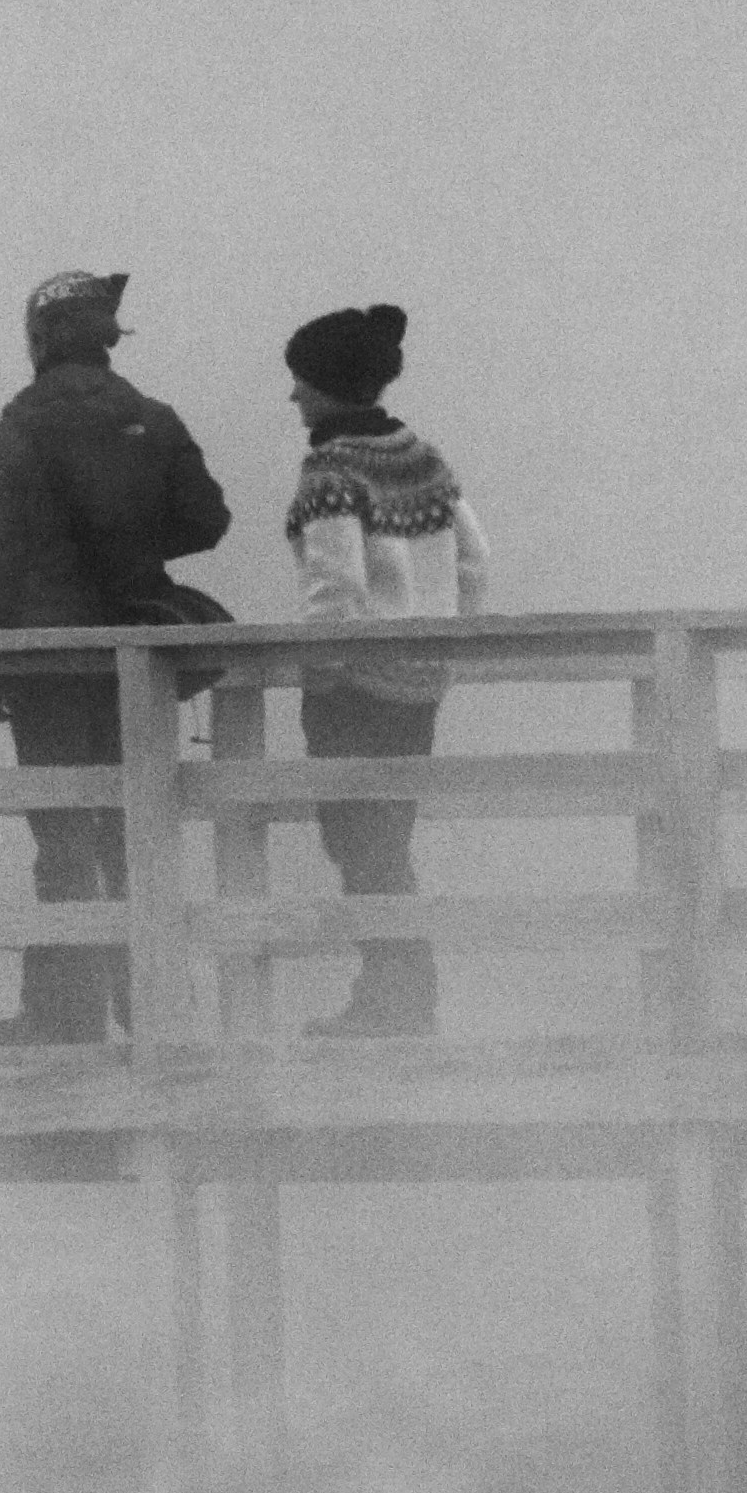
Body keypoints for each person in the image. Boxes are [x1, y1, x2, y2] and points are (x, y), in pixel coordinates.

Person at [0, 270, 235, 1045]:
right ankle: (153, 1008)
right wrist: (136, 544)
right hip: (136, 653)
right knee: (134, 830)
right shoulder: (150, 417)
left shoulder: (20, 425)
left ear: (41, 339)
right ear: (107, 338)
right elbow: (208, 519)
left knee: (62, 838)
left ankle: (63, 1015)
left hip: (48, 658)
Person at [277, 302, 493, 1039]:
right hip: (420, 682)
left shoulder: (331, 468)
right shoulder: (423, 457)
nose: (294, 395)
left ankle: (391, 999)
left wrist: (325, 669)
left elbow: (334, 588)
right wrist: (442, 640)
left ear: (330, 385)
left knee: (357, 841)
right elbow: (475, 561)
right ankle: (404, 993)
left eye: (301, 380)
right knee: (390, 837)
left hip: (353, 685)